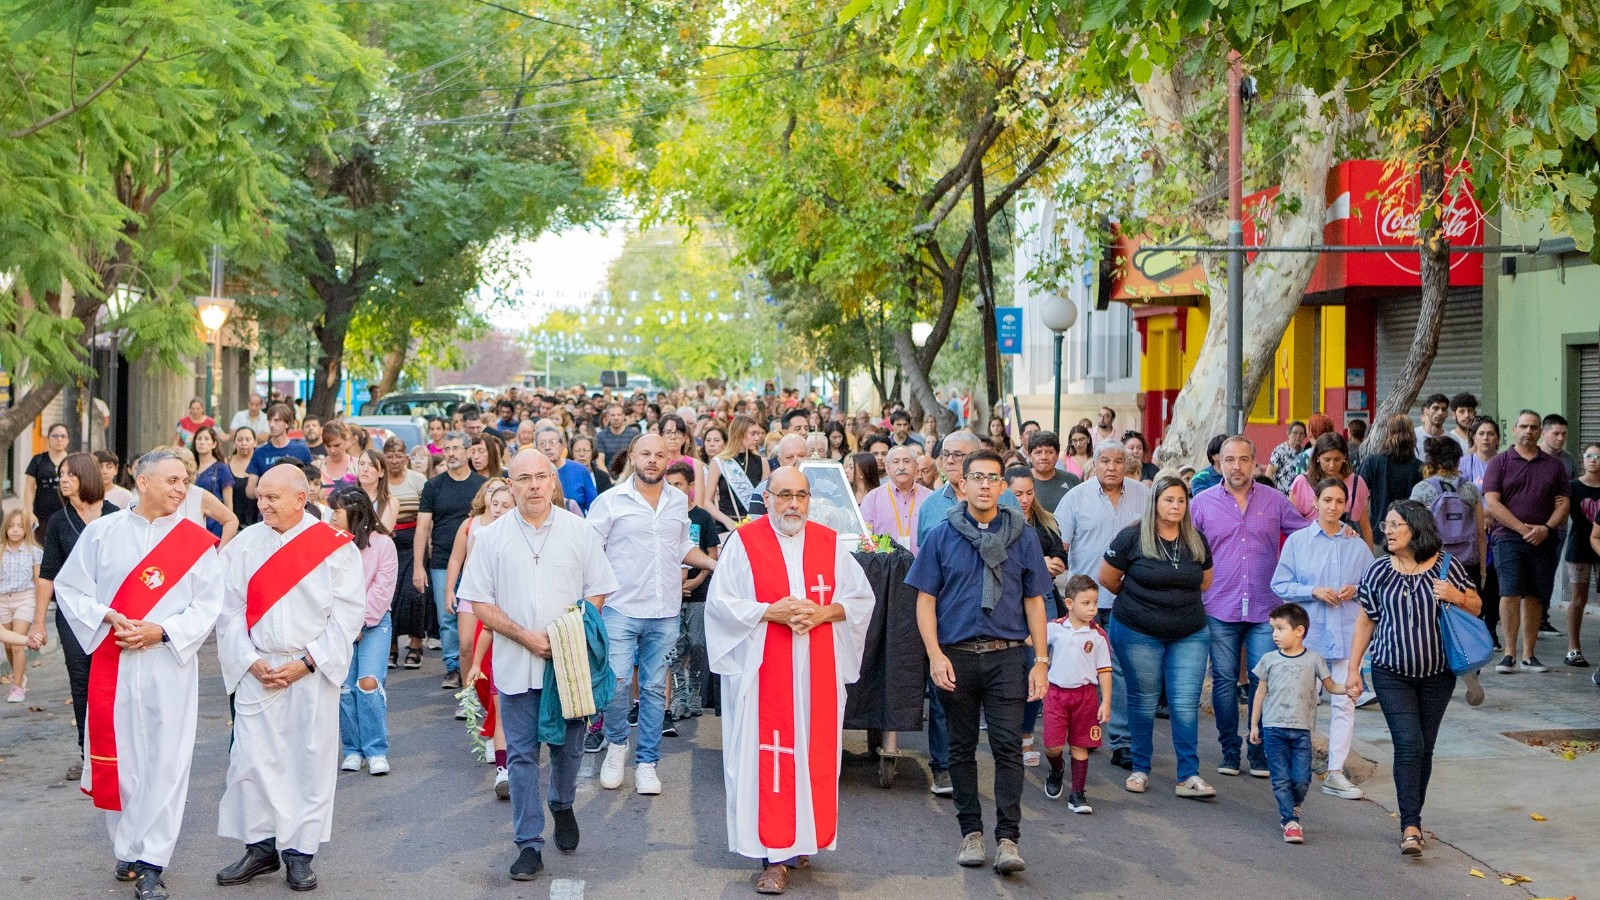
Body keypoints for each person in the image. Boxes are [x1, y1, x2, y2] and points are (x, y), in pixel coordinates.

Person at [55, 451, 223, 900]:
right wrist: (105, 616)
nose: (180, 489)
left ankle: (153, 861)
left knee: (167, 761)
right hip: (114, 660)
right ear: (142, 481)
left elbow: (209, 604)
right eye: (172, 480)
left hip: (168, 664)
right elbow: (70, 588)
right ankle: (128, 847)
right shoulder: (102, 533)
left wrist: (163, 631)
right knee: (121, 758)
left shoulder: (194, 541)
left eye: (184, 481)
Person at [705, 466, 875, 895]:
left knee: (813, 755)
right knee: (774, 759)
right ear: (767, 498)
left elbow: (859, 599)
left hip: (818, 672)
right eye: (784, 495)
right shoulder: (745, 542)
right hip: (764, 672)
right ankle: (774, 856)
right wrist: (769, 611)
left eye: (801, 495)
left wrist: (824, 612)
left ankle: (801, 838)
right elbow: (720, 605)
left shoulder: (829, 543)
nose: (794, 504)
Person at [455, 449, 618, 881]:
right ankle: (528, 843)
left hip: (569, 665)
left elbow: (599, 589)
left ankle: (562, 803)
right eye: (523, 478)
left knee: (569, 748)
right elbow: (479, 602)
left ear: (552, 481)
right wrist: (525, 636)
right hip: (514, 663)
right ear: (510, 485)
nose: (533, 485)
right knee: (522, 755)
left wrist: (569, 631)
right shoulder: (491, 537)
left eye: (541, 476)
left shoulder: (579, 530)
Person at [214, 464, 366, 892]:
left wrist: (309, 662)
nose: (262, 504)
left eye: (272, 498)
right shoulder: (244, 546)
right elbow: (227, 610)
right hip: (258, 670)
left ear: (301, 499)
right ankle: (260, 848)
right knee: (250, 761)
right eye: (260, 496)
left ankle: (300, 853)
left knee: (308, 762)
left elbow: (348, 615)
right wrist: (249, 660)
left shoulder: (335, 547)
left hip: (309, 672)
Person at [909, 449, 1050, 875]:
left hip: (1007, 656)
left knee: (1008, 745)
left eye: (992, 478)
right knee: (961, 747)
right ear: (963, 483)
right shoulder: (941, 535)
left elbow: (1035, 601)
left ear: (1003, 486)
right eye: (977, 477)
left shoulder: (1024, 537)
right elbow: (925, 600)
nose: (985, 485)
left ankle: (1008, 839)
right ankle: (971, 833)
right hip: (956, 657)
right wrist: (934, 655)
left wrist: (1041, 660)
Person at [1345, 500, 1482, 857]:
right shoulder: (1378, 571)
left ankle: (1413, 816)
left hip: (1438, 675)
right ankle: (1410, 825)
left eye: (1395, 525)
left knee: (1425, 747)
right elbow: (1365, 621)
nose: (1387, 531)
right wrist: (1353, 668)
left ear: (1416, 528)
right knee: (1408, 744)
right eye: (1386, 525)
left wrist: (1456, 595)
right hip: (1390, 672)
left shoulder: (1446, 566)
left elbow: (1477, 606)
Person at [589, 435, 719, 795]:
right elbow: (589, 549)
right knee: (617, 683)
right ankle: (617, 745)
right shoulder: (610, 501)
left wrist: (715, 565)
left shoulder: (678, 501)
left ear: (668, 460)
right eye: (645, 454)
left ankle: (647, 763)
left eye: (659, 455)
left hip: (664, 611)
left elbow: (682, 546)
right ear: (633, 457)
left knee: (652, 688)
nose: (652, 460)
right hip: (620, 608)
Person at [1190, 436, 1310, 779]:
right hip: (1218, 605)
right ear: (1220, 463)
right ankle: (1230, 750)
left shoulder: (1275, 501)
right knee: (1224, 681)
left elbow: (1305, 534)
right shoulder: (1202, 504)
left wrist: (1339, 531)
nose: (1236, 466)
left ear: (1255, 463)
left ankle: (1258, 749)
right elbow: (1186, 547)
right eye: (1229, 460)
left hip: (1265, 608)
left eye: (1243, 459)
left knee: (1263, 680)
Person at [1098, 474, 1215, 798]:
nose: (1176, 506)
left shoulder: (1196, 539)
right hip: (1138, 631)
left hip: (1189, 632)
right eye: (1169, 500)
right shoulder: (1132, 536)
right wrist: (1143, 601)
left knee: (1185, 704)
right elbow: (1108, 578)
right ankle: (1140, 768)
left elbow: (1205, 581)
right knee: (1143, 700)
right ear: (1155, 503)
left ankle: (1188, 775)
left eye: (1181, 500)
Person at [1271, 477, 1379, 802]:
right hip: (1310, 636)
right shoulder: (1298, 542)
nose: (1333, 507)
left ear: (1347, 505)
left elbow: (1373, 587)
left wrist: (1355, 590)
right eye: (1327, 500)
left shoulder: (1356, 545)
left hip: (1347, 634)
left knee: (1345, 703)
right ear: (1315, 502)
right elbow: (1280, 584)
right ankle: (1297, 767)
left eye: (1339, 501)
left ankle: (1335, 772)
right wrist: (1312, 591)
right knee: (1304, 702)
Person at [1052, 441, 1150, 768]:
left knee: (1119, 671)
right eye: (1105, 461)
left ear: (1127, 464)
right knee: (1082, 671)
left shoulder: (1143, 496)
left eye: (1118, 461)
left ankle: (1121, 741)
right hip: (1086, 601)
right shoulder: (1075, 498)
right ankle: (1085, 732)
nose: (1111, 467)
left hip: (1128, 599)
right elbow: (1059, 544)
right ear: (1094, 464)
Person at [30, 452, 118, 774]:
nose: (63, 480)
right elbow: (48, 574)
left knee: (111, 681)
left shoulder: (116, 516)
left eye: (70, 474)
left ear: (86, 476)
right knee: (81, 682)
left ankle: (116, 751)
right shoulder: (58, 521)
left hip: (111, 613)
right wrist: (38, 622)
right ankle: (88, 756)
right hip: (72, 615)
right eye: (61, 474)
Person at [1248, 603, 1347, 844]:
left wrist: (1350, 689)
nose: (1275, 634)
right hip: (1273, 728)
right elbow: (1260, 692)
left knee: (1301, 780)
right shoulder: (1269, 659)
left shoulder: (1314, 659)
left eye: (1280, 629)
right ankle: (1290, 821)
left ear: (1299, 631)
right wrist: (1254, 725)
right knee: (1280, 778)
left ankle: (1294, 805)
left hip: (1302, 730)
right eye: (1273, 629)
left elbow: (1331, 686)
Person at [1483, 410, 1570, 673]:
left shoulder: (1554, 465)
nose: (1528, 431)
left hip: (1543, 539)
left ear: (1540, 432)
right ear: (1514, 430)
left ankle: (1529, 655)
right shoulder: (1499, 463)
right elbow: (1492, 503)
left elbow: (1564, 503)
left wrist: (1546, 528)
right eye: (1523, 426)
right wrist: (1522, 529)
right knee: (1509, 592)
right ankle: (1509, 654)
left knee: (1535, 596)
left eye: (1533, 427)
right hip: (1508, 537)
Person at [331, 487, 398, 777]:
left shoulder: (383, 544)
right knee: (344, 687)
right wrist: (346, 624)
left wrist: (360, 623)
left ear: (353, 512)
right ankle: (352, 750)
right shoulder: (331, 544)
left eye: (337, 510)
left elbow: (382, 590)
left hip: (375, 623)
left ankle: (376, 750)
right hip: (340, 625)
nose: (332, 516)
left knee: (368, 682)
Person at [413, 431, 486, 690]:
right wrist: (418, 566)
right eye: (447, 449)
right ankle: (454, 667)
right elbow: (422, 528)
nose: (451, 453)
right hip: (443, 559)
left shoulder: (482, 485)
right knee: (447, 617)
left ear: (468, 451)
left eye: (456, 448)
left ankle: (477, 664)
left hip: (478, 561)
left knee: (479, 615)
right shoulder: (433, 486)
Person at [1038, 577, 1112, 814]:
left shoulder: (1098, 636)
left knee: (1081, 746)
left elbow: (1105, 670)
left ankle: (1078, 794)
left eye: (1095, 603)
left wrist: (1106, 701)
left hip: (1085, 697)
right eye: (1086, 603)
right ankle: (1056, 768)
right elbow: (1033, 640)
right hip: (1056, 695)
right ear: (1069, 603)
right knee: (1053, 746)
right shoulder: (1055, 628)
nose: (1092, 609)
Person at [665, 462, 719, 720]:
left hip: (698, 594)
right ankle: (679, 695)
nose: (674, 489)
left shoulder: (702, 517)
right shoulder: (665, 517)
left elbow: (711, 554)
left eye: (679, 484)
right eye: (670, 485)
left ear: (690, 486)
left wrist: (697, 581)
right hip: (672, 595)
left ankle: (695, 689)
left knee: (697, 644)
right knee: (674, 646)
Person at [381, 437, 429, 669]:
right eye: (390, 456)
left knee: (414, 594)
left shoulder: (418, 479)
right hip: (388, 544)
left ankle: (416, 643)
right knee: (390, 596)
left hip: (414, 543)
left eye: (399, 456)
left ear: (406, 457)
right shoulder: (381, 482)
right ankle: (391, 647)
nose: (394, 461)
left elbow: (426, 515)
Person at [1289, 433, 1374, 548]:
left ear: (1344, 457)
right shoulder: (1302, 483)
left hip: (1349, 548)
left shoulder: (1356, 483)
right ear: (1317, 457)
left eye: (1337, 459)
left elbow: (1365, 525)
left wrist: (1369, 555)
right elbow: (1291, 524)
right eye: (1327, 460)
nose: (1332, 465)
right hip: (1311, 548)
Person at [1358, 415, 1424, 549]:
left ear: (1387, 433)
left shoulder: (1373, 462)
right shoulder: (1420, 468)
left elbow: (1357, 497)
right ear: (1412, 435)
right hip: (1410, 538)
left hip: (1379, 534)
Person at [860, 445, 934, 554]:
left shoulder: (930, 498)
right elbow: (864, 539)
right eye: (896, 462)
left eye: (906, 461)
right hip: (884, 563)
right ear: (887, 468)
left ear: (916, 467)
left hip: (922, 563)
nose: (901, 467)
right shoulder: (872, 499)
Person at [1, 510, 42, 703]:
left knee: (18, 645)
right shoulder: (1, 550)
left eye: (20, 526)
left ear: (26, 529)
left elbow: (39, 581)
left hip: (25, 599)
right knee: (8, 644)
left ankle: (17, 686)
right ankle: (19, 674)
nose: (15, 530)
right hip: (3, 600)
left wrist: (39, 612)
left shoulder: (34, 552)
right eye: (11, 526)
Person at [1566, 443, 1600, 666]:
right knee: (1578, 599)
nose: (1593, 460)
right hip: (1579, 547)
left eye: (1598, 456)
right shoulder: (1573, 487)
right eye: (1589, 456)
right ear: (1582, 460)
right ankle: (1573, 647)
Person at [706, 415, 768, 533]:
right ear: (739, 433)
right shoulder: (719, 462)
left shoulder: (762, 462)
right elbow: (706, 502)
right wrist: (727, 522)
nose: (757, 438)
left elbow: (766, 499)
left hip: (754, 525)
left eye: (758, 434)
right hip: (726, 527)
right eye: (753, 434)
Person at [244, 404, 312, 501]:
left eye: (277, 420)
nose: (271, 425)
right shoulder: (260, 452)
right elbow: (250, 491)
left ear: (287, 424)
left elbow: (312, 482)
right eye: (270, 420)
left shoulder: (302, 450)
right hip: (268, 506)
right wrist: (266, 494)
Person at [25, 422, 72, 539]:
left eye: (63, 436)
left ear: (68, 440)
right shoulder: (38, 460)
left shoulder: (74, 461)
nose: (59, 439)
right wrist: (29, 512)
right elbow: (29, 487)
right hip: (41, 515)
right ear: (48, 438)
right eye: (55, 436)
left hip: (68, 513)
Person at [189, 427, 235, 539]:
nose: (202, 442)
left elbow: (228, 503)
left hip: (215, 524)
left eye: (206, 439)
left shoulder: (221, 468)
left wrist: (228, 530)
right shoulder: (190, 468)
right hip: (193, 521)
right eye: (199, 439)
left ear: (214, 444)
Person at [536, 427, 595, 513]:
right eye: (542, 443)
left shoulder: (580, 470)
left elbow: (594, 507)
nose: (547, 447)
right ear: (536, 448)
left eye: (552, 442)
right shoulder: (531, 473)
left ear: (562, 446)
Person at [1025, 431, 1079, 513]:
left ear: (1057, 455)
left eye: (1049, 452)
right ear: (1029, 456)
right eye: (1038, 452)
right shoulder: (1021, 480)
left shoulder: (1071, 480)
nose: (1044, 457)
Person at [226, 427, 261, 530]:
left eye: (248, 439)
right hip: (233, 525)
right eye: (240, 439)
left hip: (258, 524)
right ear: (234, 443)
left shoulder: (261, 464)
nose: (244, 443)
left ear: (255, 442)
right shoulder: (225, 464)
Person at [357, 447, 398, 532]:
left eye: (372, 465)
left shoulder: (390, 502)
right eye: (362, 464)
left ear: (382, 472)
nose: (365, 469)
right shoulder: (346, 497)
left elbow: (382, 535)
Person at [595, 402, 641, 472]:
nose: (616, 418)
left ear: (624, 416)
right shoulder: (600, 436)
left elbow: (638, 458)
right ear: (608, 417)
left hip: (629, 475)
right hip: (608, 475)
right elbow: (600, 462)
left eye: (619, 415)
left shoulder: (634, 435)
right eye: (613, 415)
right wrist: (608, 477)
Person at [314, 421, 357, 497]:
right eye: (328, 446)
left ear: (345, 440)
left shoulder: (357, 465)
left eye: (337, 445)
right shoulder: (316, 467)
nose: (332, 451)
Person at [1268, 421, 1309, 493]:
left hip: (1298, 495)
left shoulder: (1304, 452)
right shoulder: (1280, 450)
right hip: (1281, 494)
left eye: (1301, 433)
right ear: (1289, 434)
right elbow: (1269, 473)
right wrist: (1272, 492)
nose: (1298, 436)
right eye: (1295, 433)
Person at [1412, 394, 1452, 460]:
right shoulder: (1412, 436)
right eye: (1435, 408)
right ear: (1426, 411)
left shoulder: (1452, 439)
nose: (1440, 413)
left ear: (1447, 414)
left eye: (1444, 409)